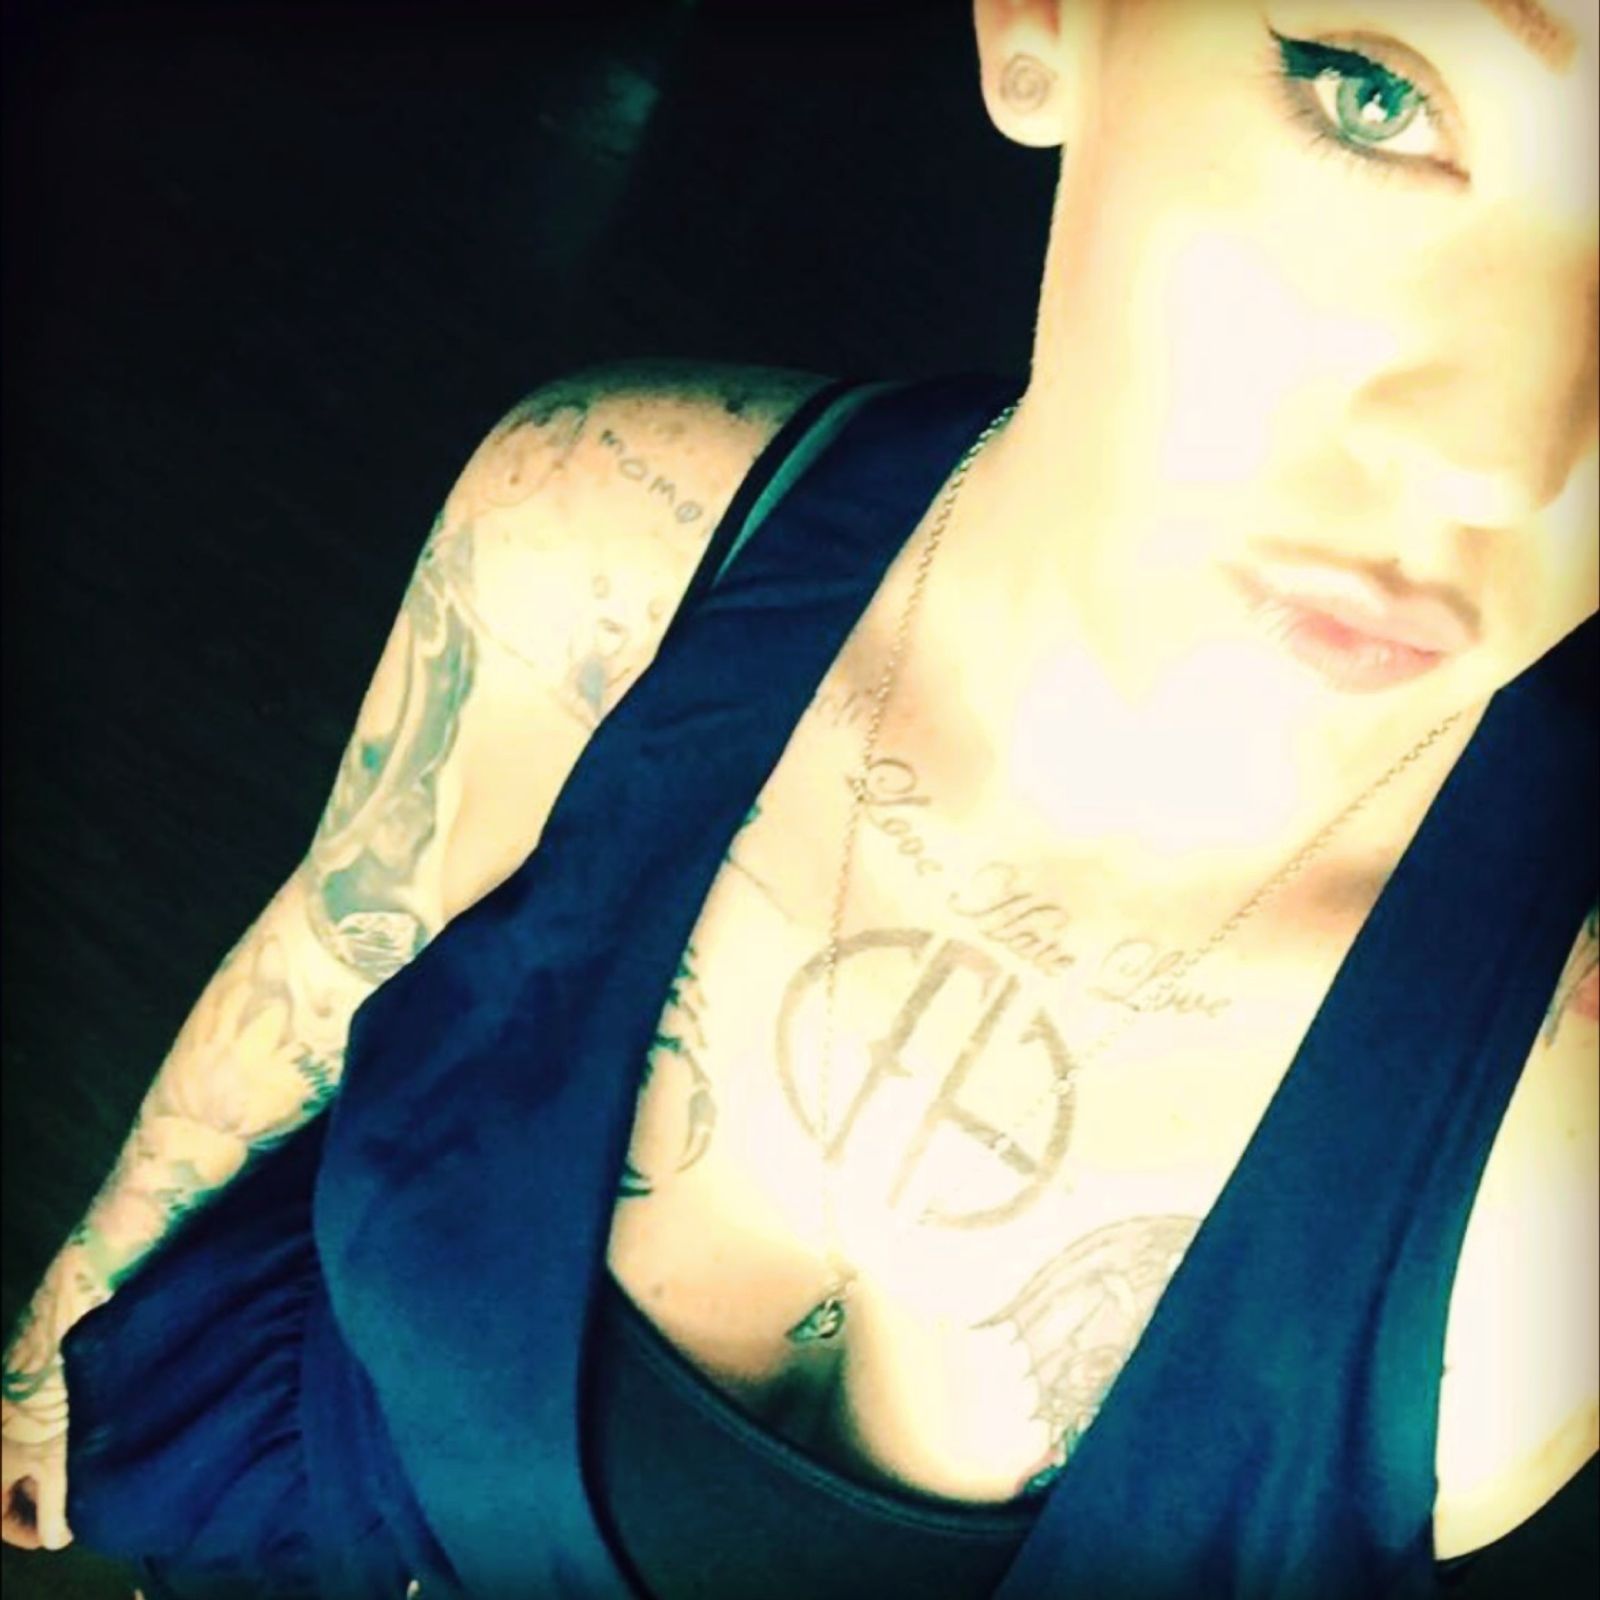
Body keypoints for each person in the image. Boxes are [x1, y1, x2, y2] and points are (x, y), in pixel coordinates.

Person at [4, 0, 1596, 1595]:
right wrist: (73, 1318)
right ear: (1049, 23)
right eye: (1373, 94)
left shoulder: (1563, 1162)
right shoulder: (607, 543)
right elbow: (342, 934)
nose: (1507, 463)